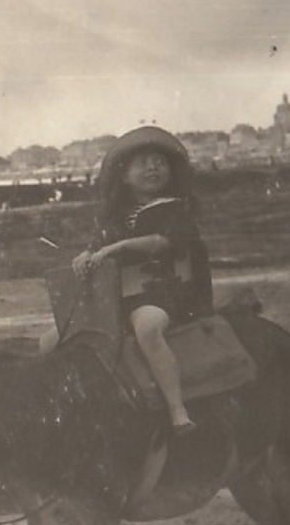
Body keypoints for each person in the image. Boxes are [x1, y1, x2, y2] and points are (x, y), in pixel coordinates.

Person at [71, 125, 212, 434]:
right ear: (123, 176)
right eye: (143, 163)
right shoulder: (115, 217)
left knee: (147, 328)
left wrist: (117, 248)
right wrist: (85, 257)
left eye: (160, 163)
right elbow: (97, 246)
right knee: (57, 337)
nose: (153, 167)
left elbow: (163, 243)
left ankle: (177, 410)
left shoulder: (177, 209)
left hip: (167, 293)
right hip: (121, 298)